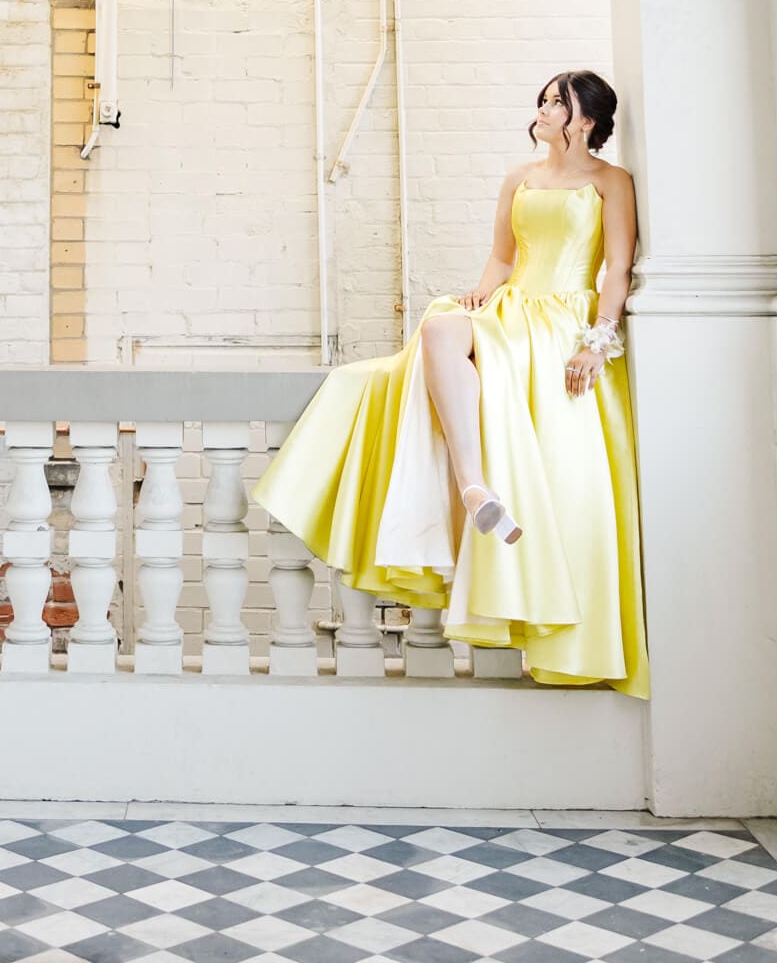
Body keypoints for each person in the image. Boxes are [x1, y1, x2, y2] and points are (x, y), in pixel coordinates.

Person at [252, 70, 649, 695]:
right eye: (542, 101)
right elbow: (502, 256)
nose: (542, 110)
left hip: (563, 318)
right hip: (513, 305)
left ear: (587, 119)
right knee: (440, 327)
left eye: (556, 103)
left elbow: (617, 269)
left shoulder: (610, 183)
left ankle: (480, 488)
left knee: (448, 339)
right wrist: (481, 296)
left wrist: (597, 343)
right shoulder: (520, 177)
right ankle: (473, 488)